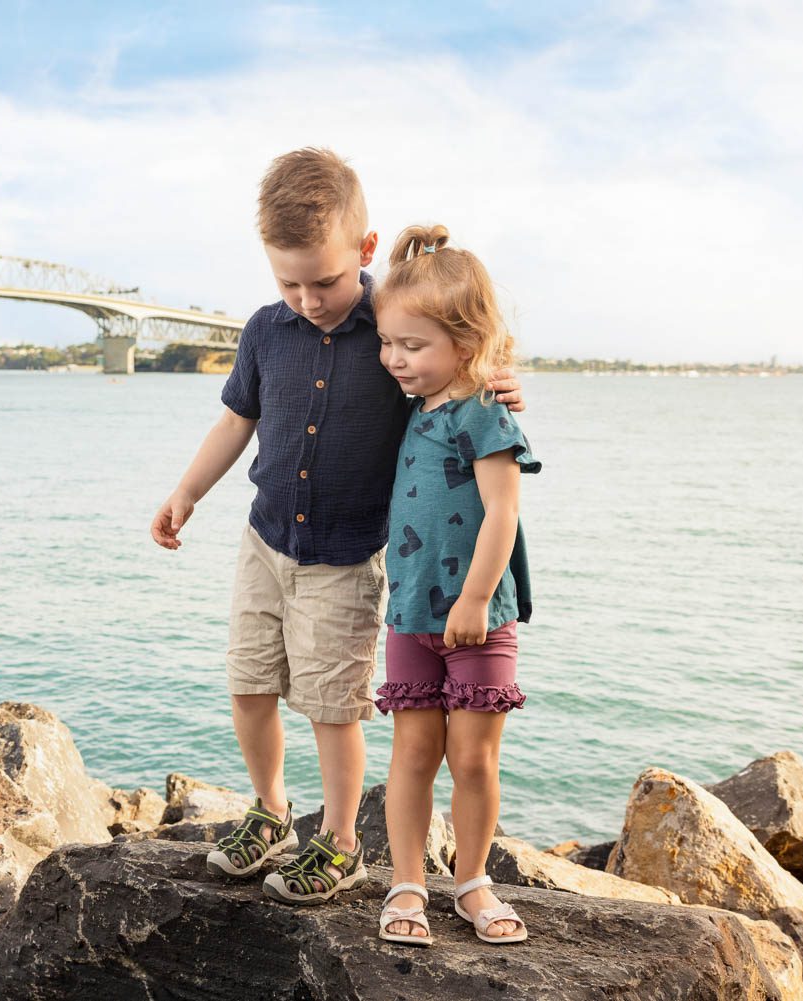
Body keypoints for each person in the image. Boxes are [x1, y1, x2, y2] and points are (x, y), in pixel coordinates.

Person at [150, 149, 525, 906]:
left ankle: (344, 840)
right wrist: (186, 492)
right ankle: (271, 808)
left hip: (347, 558)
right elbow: (236, 420)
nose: (307, 297)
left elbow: (454, 365)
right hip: (265, 541)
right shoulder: (265, 331)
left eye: (322, 280)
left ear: (363, 251)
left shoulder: (390, 331)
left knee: (332, 701)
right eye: (287, 281)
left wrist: (500, 377)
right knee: (249, 681)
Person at [371, 224, 540, 947]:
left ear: (466, 346)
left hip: (478, 615)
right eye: (389, 343)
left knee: (472, 756)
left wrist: (474, 598)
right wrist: (399, 259)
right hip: (410, 609)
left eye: (414, 347)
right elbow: (392, 308)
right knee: (412, 752)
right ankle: (407, 878)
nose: (395, 359)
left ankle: (471, 878)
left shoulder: (485, 412)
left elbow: (503, 508)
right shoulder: (413, 407)